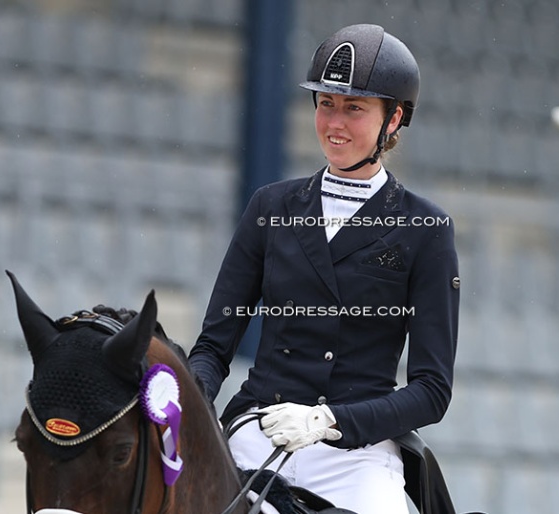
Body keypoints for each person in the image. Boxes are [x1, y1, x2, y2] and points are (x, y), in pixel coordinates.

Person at [189, 23, 460, 514]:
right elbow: (212, 346)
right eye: (325, 104)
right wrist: (186, 403)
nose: (334, 122)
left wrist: (326, 420)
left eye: (354, 108)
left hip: (356, 453)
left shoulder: (426, 228)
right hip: (259, 431)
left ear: (393, 118)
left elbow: (432, 391)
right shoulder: (270, 207)